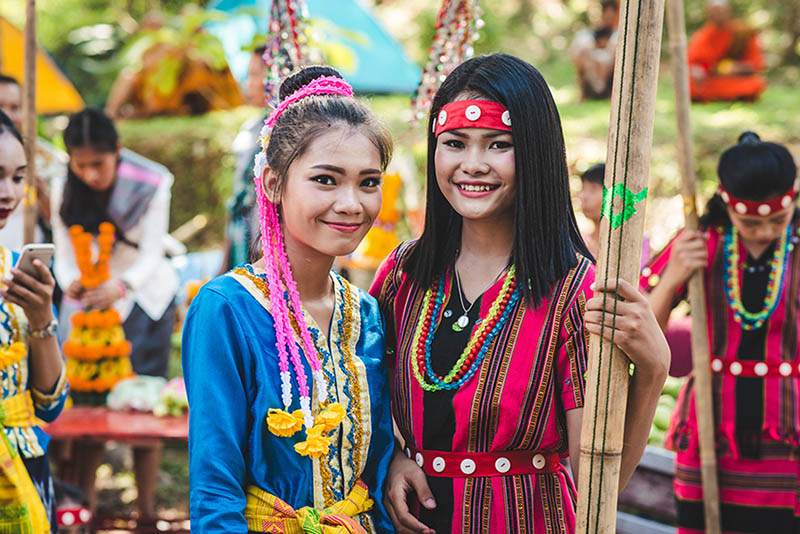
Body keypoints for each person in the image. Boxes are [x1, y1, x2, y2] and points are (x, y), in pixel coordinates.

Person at [370, 53, 670, 534]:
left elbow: (596, 477)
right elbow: (364, 399)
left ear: (535, 153)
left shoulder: (574, 289)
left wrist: (653, 371)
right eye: (455, 143)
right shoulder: (403, 274)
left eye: (498, 145)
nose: (473, 165)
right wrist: (389, 459)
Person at [183, 66, 395, 533]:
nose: (351, 203)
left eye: (368, 182)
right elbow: (215, 489)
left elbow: (377, 472)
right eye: (325, 179)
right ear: (274, 184)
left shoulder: (367, 314)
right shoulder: (226, 309)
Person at [643, 132, 800, 533]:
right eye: (750, 222)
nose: (764, 232)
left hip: (787, 433)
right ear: (726, 205)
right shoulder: (699, 243)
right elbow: (643, 333)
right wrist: (673, 276)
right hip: (709, 430)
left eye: (777, 220)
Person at [50, 108, 178, 518]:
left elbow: (154, 251)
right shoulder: (61, 185)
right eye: (81, 164)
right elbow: (64, 254)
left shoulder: (153, 181)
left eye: (98, 164)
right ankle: (83, 510)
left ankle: (145, 511)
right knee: (89, 411)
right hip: (88, 306)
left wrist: (121, 287)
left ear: (118, 151)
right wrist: (71, 280)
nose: (90, 174)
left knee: (145, 407)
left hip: (144, 301)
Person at [0, 110, 69, 533]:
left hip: (26, 470)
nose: (8, 193)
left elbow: (49, 404)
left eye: (17, 177)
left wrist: (42, 317)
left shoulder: (15, 274)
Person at [0, 74, 68, 249]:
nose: (8, 193)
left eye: (15, 107)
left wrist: (43, 196)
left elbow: (62, 222)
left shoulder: (46, 158)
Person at [219, 45, 268, 273]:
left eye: (254, 74)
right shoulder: (252, 128)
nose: (248, 83)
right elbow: (237, 199)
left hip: (266, 240)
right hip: (243, 236)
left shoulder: (289, 132)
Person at [687, 0, 766, 102]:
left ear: (728, 11)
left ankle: (721, 95)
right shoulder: (703, 35)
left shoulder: (742, 32)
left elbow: (756, 65)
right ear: (708, 14)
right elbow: (691, 62)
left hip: (735, 79)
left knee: (755, 84)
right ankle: (730, 96)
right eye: (714, 12)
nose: (717, 15)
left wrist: (736, 68)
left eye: (720, 11)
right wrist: (696, 70)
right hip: (712, 79)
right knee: (690, 85)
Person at [569, 1, 619, 100]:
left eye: (611, 17)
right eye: (606, 16)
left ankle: (599, 88)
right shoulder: (588, 34)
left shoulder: (617, 35)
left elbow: (613, 50)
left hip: (609, 62)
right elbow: (577, 52)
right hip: (591, 63)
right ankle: (598, 87)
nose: (609, 20)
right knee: (585, 54)